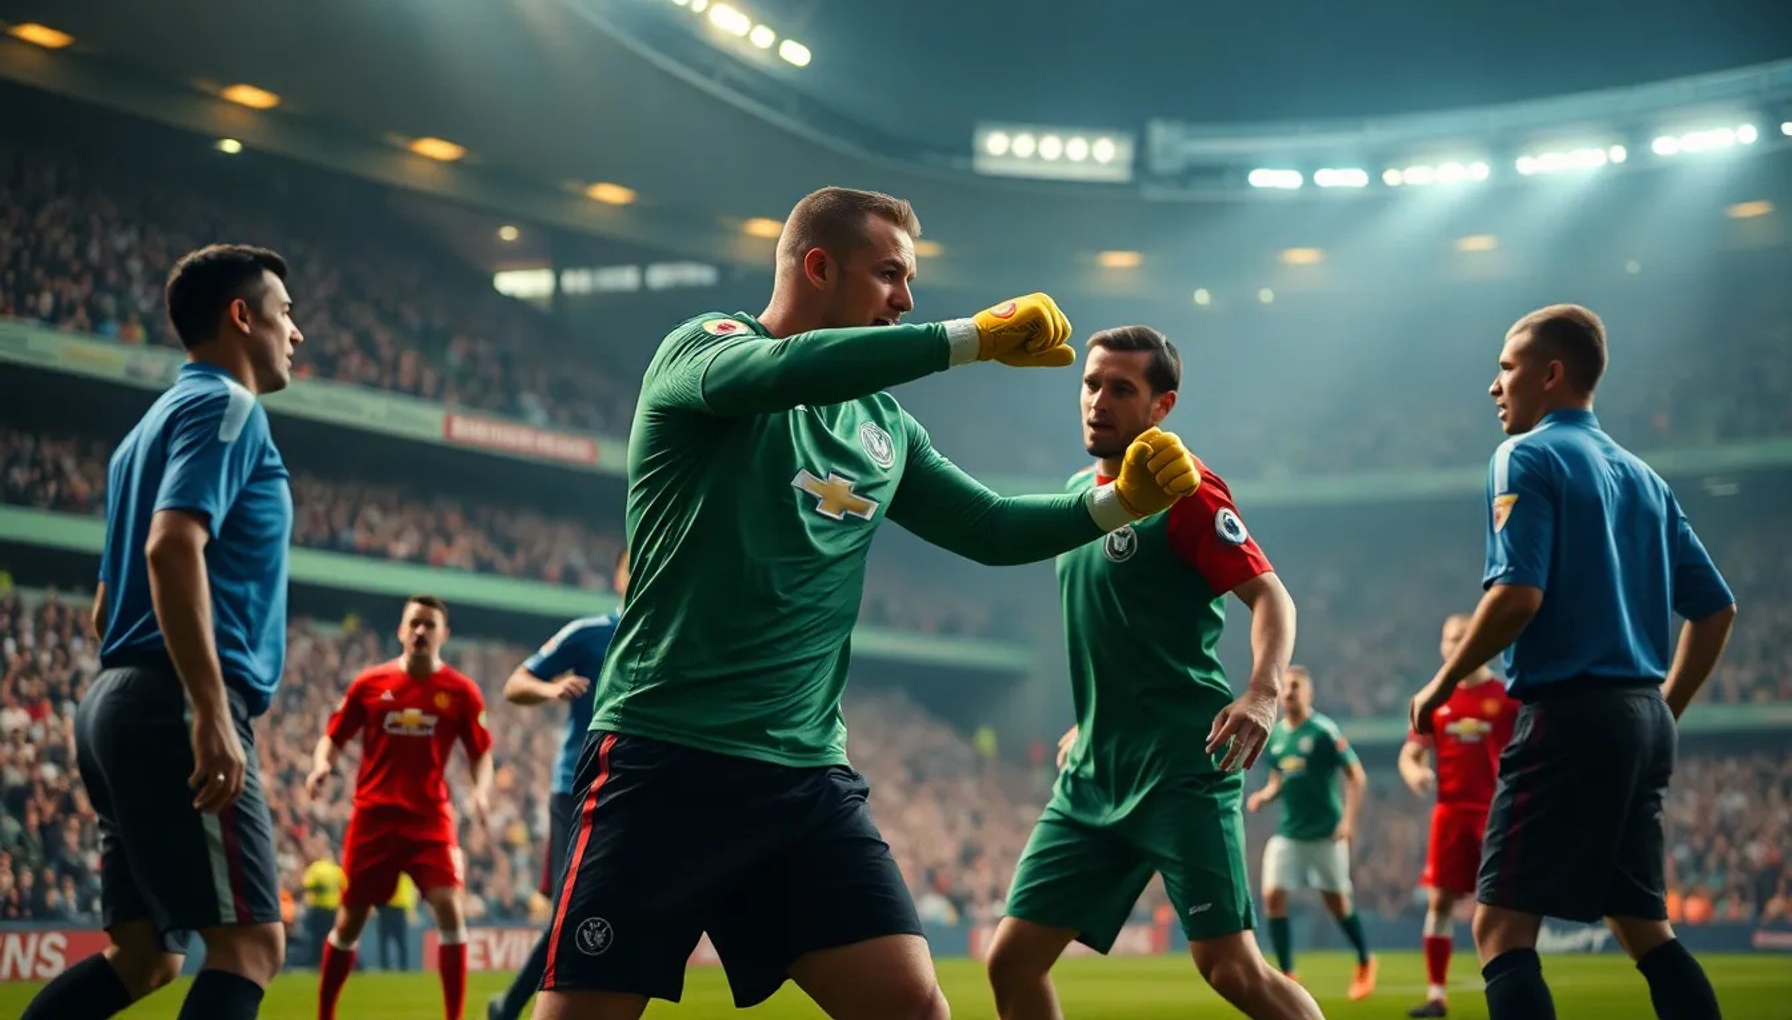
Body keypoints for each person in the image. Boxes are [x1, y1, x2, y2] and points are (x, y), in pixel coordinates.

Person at [534, 186, 1202, 1020]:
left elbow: (990, 528)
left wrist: (1114, 505)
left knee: (915, 1008)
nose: (908, 300)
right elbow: (785, 370)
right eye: (890, 275)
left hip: (803, 780)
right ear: (818, 266)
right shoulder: (702, 352)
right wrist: (972, 339)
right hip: (663, 760)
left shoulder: (882, 428)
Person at [1409, 304, 1737, 1020]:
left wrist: (1439, 683)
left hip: (1569, 713)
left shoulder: (1525, 455)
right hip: (1642, 716)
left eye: (1506, 368)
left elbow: (1517, 597)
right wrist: (1665, 711)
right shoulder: (1645, 478)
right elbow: (1716, 610)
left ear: (1550, 374)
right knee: (1646, 929)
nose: (1494, 386)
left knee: (1497, 929)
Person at [983, 326, 1320, 1020]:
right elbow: (1115, 624)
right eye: (1091, 383)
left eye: (1122, 389)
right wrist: (1095, 720)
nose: (1099, 400)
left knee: (1231, 971)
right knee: (1012, 962)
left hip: (1179, 770)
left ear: (1161, 406)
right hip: (1093, 776)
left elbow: (1271, 597)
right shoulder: (1080, 496)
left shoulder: (1187, 492)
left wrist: (1261, 692)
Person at [22, 244, 301, 1020]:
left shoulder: (138, 436)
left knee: (145, 958)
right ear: (241, 317)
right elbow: (170, 546)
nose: (295, 332)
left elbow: (105, 607)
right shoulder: (230, 406)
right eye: (284, 312)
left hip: (112, 700)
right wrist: (210, 708)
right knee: (251, 948)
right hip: (169, 700)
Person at [307, 595, 495, 1020]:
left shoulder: (461, 692)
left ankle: (454, 1017)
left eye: (430, 624)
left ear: (444, 634)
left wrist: (481, 790)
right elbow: (333, 736)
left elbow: (482, 753)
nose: (421, 631)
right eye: (414, 624)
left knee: (450, 907)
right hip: (374, 818)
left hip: (430, 819)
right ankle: (324, 1014)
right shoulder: (369, 684)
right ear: (401, 630)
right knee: (349, 922)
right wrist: (321, 766)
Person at [487, 549, 631, 1020]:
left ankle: (514, 1005)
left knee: (609, 908)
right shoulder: (588, 634)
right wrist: (551, 689)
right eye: (633, 561)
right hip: (578, 786)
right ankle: (509, 1006)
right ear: (616, 574)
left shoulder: (672, 638)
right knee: (569, 911)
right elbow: (516, 683)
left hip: (635, 793)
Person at [1398, 613, 1519, 1017]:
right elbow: (1410, 753)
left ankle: (1508, 988)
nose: (1456, 645)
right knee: (1441, 901)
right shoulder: (1433, 698)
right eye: (1450, 638)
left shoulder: (1506, 698)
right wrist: (1414, 771)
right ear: (1442, 645)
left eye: (1464, 638)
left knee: (1500, 904)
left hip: (1495, 810)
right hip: (1449, 814)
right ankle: (1437, 996)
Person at [1248, 666, 1377, 1000]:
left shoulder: (1323, 731)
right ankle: (1289, 973)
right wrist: (1266, 794)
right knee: (1273, 896)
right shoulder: (1276, 735)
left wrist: (1348, 822)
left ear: (1309, 693)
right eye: (1286, 686)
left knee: (1337, 902)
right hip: (1289, 833)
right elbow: (1280, 778)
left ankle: (1365, 961)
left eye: (1296, 686)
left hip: (1326, 834)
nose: (1289, 691)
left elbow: (1356, 775)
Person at [301, 838, 347, 968]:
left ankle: (318, 962)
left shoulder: (315, 869)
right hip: (333, 909)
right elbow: (344, 888)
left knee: (317, 938)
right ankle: (333, 962)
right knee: (332, 938)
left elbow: (307, 885)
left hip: (318, 908)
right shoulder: (337, 870)